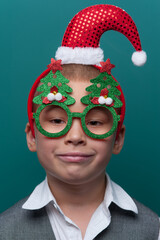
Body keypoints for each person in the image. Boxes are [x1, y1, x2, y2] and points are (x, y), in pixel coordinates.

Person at [0, 4, 159, 240]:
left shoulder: (153, 230)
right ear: (32, 136)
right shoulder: (5, 231)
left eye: (94, 122)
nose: (75, 136)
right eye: (56, 120)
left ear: (118, 138)